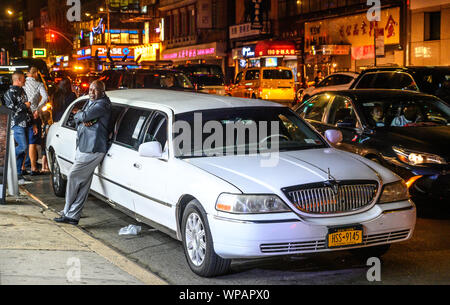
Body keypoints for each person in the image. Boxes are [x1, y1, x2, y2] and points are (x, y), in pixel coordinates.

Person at [54, 80, 111, 225]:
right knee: (83, 184)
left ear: (102, 91)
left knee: (73, 176)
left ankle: (67, 211)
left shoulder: (102, 104)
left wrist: (82, 116)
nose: (92, 92)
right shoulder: (91, 102)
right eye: (90, 89)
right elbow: (78, 118)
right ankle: (73, 215)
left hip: (93, 148)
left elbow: (83, 117)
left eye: (96, 90)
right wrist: (82, 116)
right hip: (83, 146)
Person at [3, 71, 36, 184]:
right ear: (18, 80)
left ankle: (18, 175)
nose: (25, 81)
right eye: (23, 79)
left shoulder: (22, 91)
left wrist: (33, 123)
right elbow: (11, 110)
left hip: (26, 123)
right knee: (22, 147)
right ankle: (7, 158)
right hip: (17, 124)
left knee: (23, 150)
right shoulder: (9, 93)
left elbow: (28, 109)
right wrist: (24, 105)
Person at [23, 67, 48, 175]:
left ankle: (22, 167)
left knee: (22, 141)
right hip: (34, 115)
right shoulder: (39, 84)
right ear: (34, 73)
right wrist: (37, 109)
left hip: (22, 115)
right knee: (32, 142)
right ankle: (33, 168)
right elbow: (45, 97)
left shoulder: (22, 84)